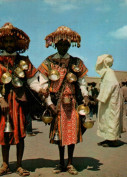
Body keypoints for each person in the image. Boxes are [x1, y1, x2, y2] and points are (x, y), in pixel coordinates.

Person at [0, 22, 38, 177]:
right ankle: (5, 165)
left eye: (11, 41)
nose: (9, 44)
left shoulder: (24, 61)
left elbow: (32, 80)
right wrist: (1, 100)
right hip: (4, 102)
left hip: (19, 101)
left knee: (20, 133)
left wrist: (42, 89)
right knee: (4, 133)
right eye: (6, 42)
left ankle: (20, 165)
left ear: (16, 43)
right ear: (2, 43)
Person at [38, 26, 89, 175]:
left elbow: (82, 82)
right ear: (55, 44)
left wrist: (85, 96)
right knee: (59, 134)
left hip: (72, 103)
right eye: (60, 44)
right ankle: (61, 163)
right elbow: (44, 85)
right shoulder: (48, 62)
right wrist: (49, 103)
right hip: (56, 103)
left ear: (69, 45)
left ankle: (70, 163)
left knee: (72, 133)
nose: (63, 46)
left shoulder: (76, 62)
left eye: (66, 44)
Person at [95, 54, 126, 147]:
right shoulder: (108, 72)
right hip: (108, 102)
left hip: (111, 102)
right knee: (106, 120)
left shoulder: (109, 72)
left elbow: (110, 86)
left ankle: (113, 140)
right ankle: (108, 139)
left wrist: (101, 98)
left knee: (111, 120)